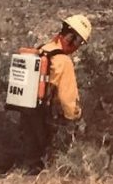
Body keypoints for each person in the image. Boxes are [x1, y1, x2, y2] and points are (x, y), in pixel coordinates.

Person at [20, 14, 92, 173]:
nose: (78, 46)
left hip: (28, 107)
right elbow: (68, 99)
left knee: (32, 149)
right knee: (47, 150)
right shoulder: (63, 61)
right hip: (45, 113)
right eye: (79, 42)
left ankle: (30, 172)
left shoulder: (42, 49)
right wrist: (75, 117)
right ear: (71, 37)